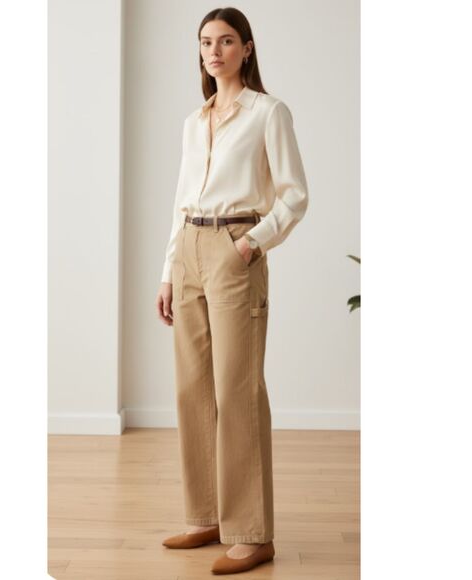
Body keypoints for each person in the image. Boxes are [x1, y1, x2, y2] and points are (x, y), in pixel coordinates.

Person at [155, 7, 309, 575]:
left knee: (236, 389)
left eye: (225, 41)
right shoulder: (194, 121)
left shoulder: (268, 113)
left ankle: (252, 533)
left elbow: (294, 194)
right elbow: (181, 198)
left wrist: (252, 243)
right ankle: (206, 516)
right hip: (190, 249)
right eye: (205, 43)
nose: (213, 52)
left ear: (246, 48)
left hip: (234, 246)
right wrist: (168, 270)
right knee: (192, 389)